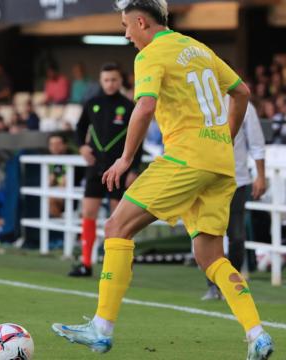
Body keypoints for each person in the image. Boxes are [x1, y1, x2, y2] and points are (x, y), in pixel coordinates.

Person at [51, 2, 274, 359]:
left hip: (185, 157)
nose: (126, 35)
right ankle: (257, 333)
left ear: (142, 21)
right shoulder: (198, 48)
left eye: (126, 26)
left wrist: (125, 159)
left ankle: (101, 328)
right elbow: (243, 92)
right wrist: (226, 137)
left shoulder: (151, 53)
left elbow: (144, 106)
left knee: (116, 226)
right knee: (211, 255)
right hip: (220, 163)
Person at [69, 63, 140, 277]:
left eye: (114, 80)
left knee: (119, 220)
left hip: (119, 170)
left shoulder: (129, 106)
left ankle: (117, 266)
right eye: (106, 80)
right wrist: (82, 146)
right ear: (101, 81)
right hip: (95, 167)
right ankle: (86, 263)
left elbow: (139, 139)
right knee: (88, 213)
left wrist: (133, 168)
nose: (110, 84)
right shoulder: (92, 104)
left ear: (121, 81)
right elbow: (80, 128)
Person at [202, 98, 266, 300]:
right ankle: (213, 285)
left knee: (237, 236)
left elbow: (256, 143)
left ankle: (230, 283)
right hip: (205, 180)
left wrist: (261, 175)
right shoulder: (199, 101)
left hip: (237, 180)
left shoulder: (243, 105)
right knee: (209, 234)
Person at [47, 134, 68, 218]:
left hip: (70, 196)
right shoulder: (46, 162)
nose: (55, 147)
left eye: (58, 144)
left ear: (65, 145)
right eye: (52, 144)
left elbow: (64, 183)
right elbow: (48, 182)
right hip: (55, 193)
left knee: (51, 199)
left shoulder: (72, 161)